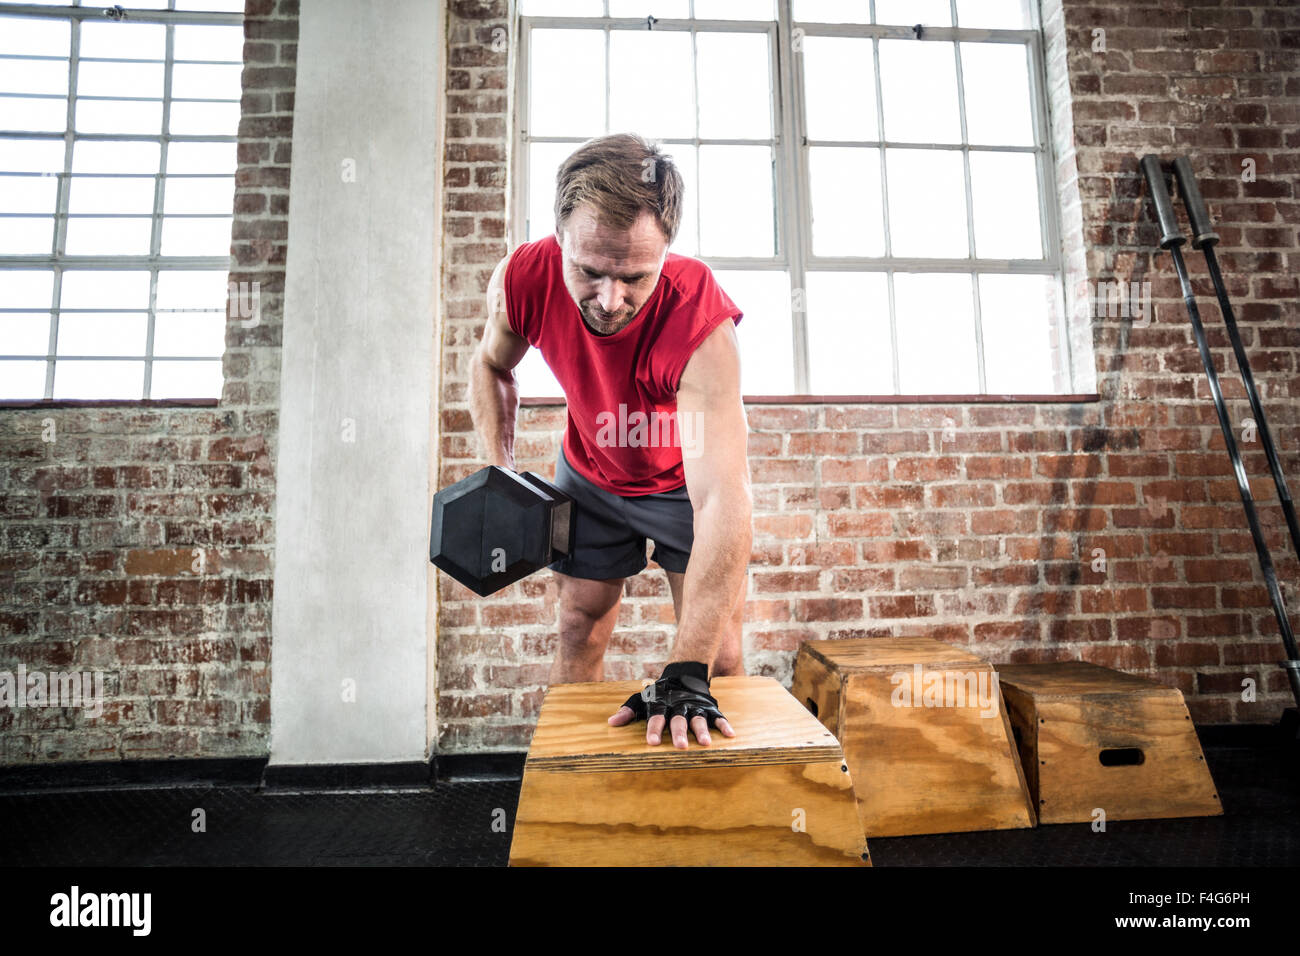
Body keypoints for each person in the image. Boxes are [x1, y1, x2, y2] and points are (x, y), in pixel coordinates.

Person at [469, 132, 753, 750]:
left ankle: (717, 817)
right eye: (590, 271)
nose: (609, 300)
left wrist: (684, 671)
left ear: (666, 251)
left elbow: (723, 500)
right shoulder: (523, 278)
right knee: (578, 626)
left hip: (682, 486)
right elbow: (492, 367)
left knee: (719, 660)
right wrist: (501, 473)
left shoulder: (699, 321)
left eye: (634, 278)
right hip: (591, 475)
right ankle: (571, 788)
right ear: (558, 236)